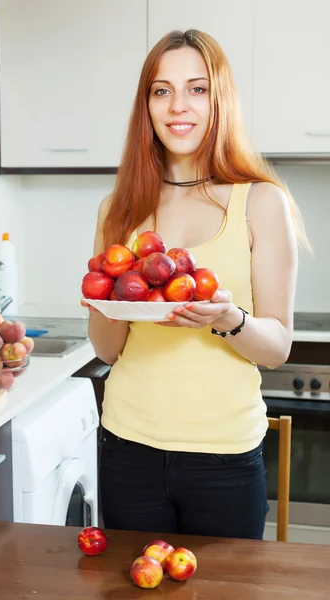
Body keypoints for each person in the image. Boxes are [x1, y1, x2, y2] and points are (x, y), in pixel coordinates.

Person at [82, 29, 308, 540]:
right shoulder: (117, 211)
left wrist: (230, 320)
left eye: (197, 89)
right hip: (127, 446)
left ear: (219, 99)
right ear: (147, 106)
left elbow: (276, 348)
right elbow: (108, 350)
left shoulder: (260, 203)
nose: (177, 106)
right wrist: (104, 304)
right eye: (161, 91)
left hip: (224, 456)